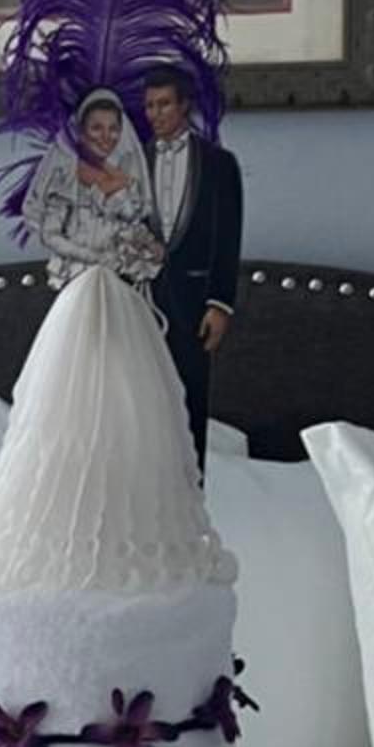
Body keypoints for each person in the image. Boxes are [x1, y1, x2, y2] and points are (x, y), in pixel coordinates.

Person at [140, 64, 242, 465]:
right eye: (149, 105)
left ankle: (192, 484)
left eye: (164, 104)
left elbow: (228, 236)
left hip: (195, 300)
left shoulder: (218, 163)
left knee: (191, 397)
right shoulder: (131, 162)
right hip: (142, 299)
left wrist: (220, 303)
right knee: (142, 397)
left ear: (184, 105)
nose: (155, 113)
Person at [22, 91, 162, 291]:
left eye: (113, 129)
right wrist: (95, 258)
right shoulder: (67, 177)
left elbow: (130, 225)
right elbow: (51, 236)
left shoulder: (124, 178)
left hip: (118, 281)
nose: (106, 137)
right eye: (97, 128)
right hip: (77, 279)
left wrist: (145, 248)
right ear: (81, 131)